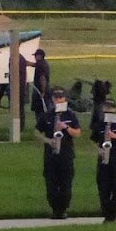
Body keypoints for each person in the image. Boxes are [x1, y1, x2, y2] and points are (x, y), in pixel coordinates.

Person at [36, 86, 82, 218]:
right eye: (56, 98)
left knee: (66, 183)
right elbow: (37, 132)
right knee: (51, 183)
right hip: (50, 155)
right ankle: (54, 208)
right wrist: (47, 140)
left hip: (66, 154)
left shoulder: (70, 115)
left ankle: (63, 209)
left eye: (61, 98)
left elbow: (78, 132)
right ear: (52, 100)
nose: (58, 100)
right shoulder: (48, 115)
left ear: (65, 99)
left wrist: (66, 127)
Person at [91, 97, 116, 223]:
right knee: (104, 188)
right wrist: (99, 151)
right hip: (103, 159)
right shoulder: (99, 124)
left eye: (111, 109)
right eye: (107, 109)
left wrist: (115, 136)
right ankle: (107, 215)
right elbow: (93, 141)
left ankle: (114, 214)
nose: (109, 112)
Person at [21, 49, 51, 125]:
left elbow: (43, 78)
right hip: (44, 91)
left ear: (40, 56)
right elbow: (31, 64)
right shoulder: (43, 64)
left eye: (35, 56)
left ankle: (41, 125)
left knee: (39, 110)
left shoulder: (41, 65)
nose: (34, 57)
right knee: (42, 109)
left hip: (40, 91)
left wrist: (42, 92)